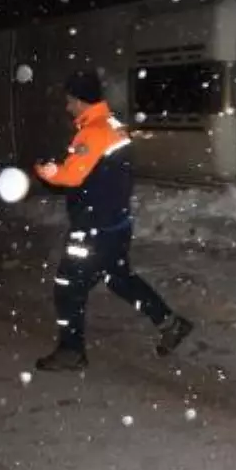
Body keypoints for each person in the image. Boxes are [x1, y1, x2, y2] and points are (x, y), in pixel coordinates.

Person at [32, 68, 193, 371]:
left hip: (94, 227)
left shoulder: (92, 132)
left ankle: (71, 351)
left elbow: (71, 175)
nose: (67, 107)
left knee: (68, 287)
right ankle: (171, 323)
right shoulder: (114, 125)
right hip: (115, 222)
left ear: (81, 101)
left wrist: (46, 171)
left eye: (69, 101)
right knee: (118, 278)